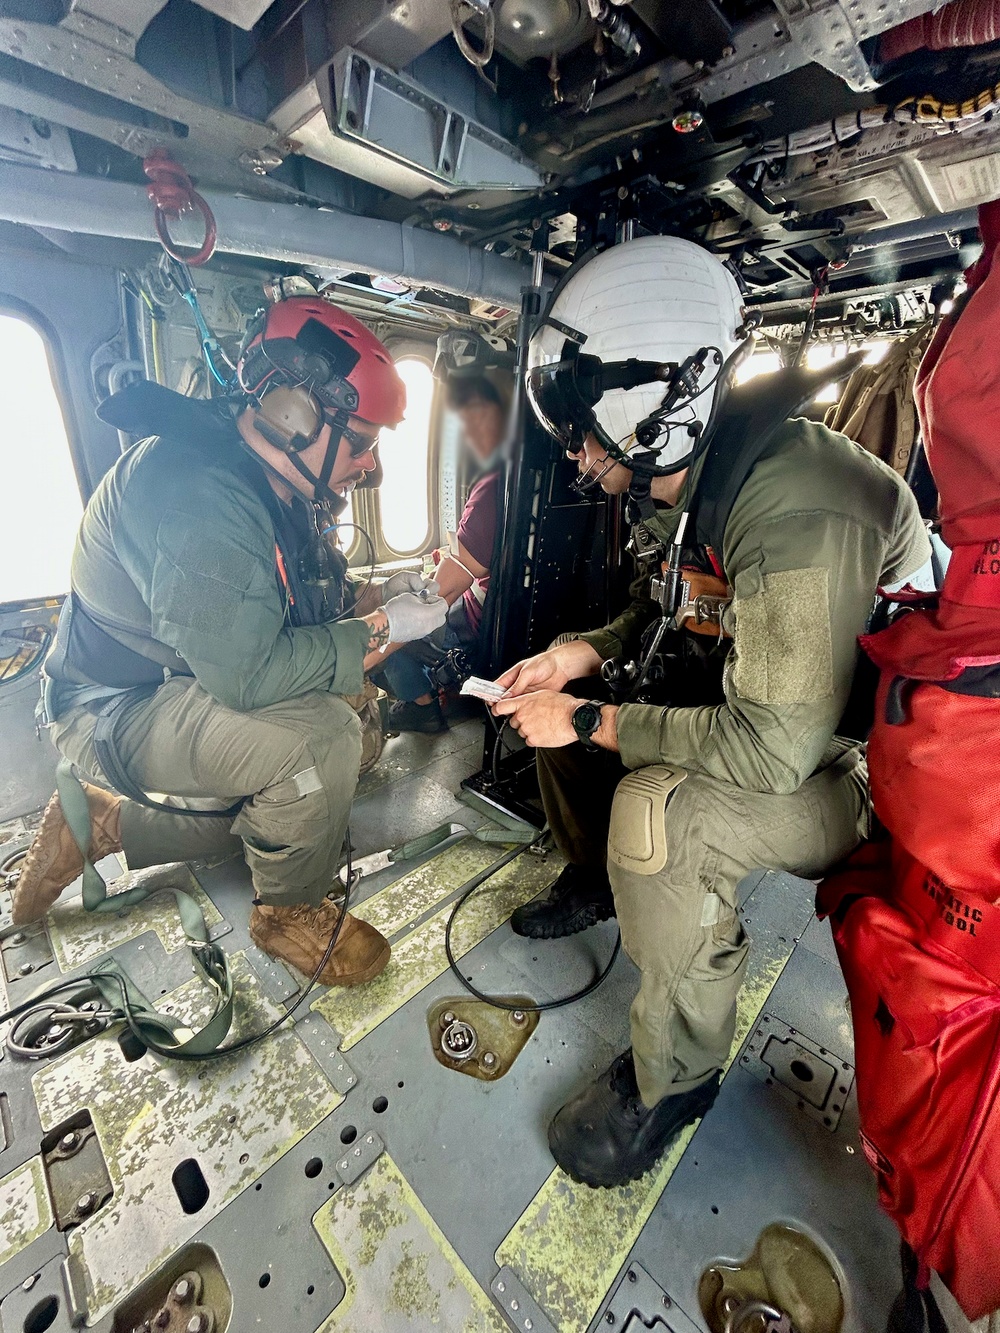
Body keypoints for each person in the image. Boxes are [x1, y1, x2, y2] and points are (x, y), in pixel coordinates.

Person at [490, 236, 931, 1188]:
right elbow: (673, 601)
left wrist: (589, 721)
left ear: (653, 409)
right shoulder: (696, 472)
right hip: (778, 710)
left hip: (859, 759)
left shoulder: (797, 508)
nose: (575, 450)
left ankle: (677, 1077)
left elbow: (773, 753)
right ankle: (600, 883)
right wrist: (584, 658)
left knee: (657, 814)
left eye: (585, 429)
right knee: (577, 708)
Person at [12, 295, 448, 987]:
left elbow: (283, 606)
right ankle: (285, 911)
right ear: (294, 418)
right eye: (362, 440)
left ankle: (102, 825)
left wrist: (370, 603)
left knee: (351, 740)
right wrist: (382, 629)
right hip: (112, 708)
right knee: (321, 741)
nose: (369, 466)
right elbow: (250, 674)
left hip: (185, 683)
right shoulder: (198, 495)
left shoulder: (273, 478)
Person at [378, 373, 505, 733]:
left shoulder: (494, 488)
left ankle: (422, 705)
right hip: (519, 622)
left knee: (389, 618)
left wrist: (360, 648)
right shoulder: (549, 477)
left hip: (476, 629)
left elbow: (441, 595)